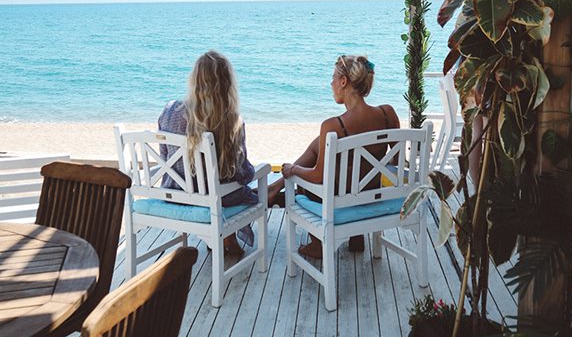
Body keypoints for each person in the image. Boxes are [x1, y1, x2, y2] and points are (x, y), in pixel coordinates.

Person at [268, 54, 400, 258]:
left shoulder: (333, 126)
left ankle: (318, 244)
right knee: (319, 145)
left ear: (344, 82)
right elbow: (396, 162)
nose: (331, 84)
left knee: (304, 179)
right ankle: (356, 237)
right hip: (373, 191)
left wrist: (293, 170)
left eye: (333, 78)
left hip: (341, 200)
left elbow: (317, 177)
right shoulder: (387, 113)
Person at [158, 50, 257, 257]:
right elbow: (241, 173)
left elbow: (165, 155)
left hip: (175, 195)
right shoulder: (231, 120)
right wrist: (251, 174)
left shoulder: (169, 110)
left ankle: (222, 239)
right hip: (208, 200)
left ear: (194, 79)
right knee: (247, 190)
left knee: (226, 188)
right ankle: (226, 237)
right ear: (226, 83)